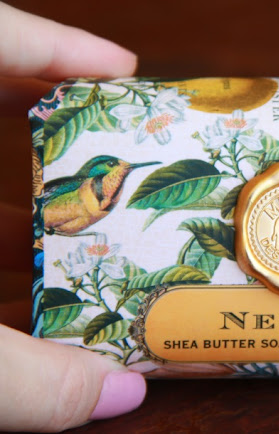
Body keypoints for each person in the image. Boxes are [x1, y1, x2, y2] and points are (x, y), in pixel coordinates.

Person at [0, 3, 146, 431]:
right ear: (98, 172)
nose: (120, 173)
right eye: (114, 168)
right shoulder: (79, 185)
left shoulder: (106, 202)